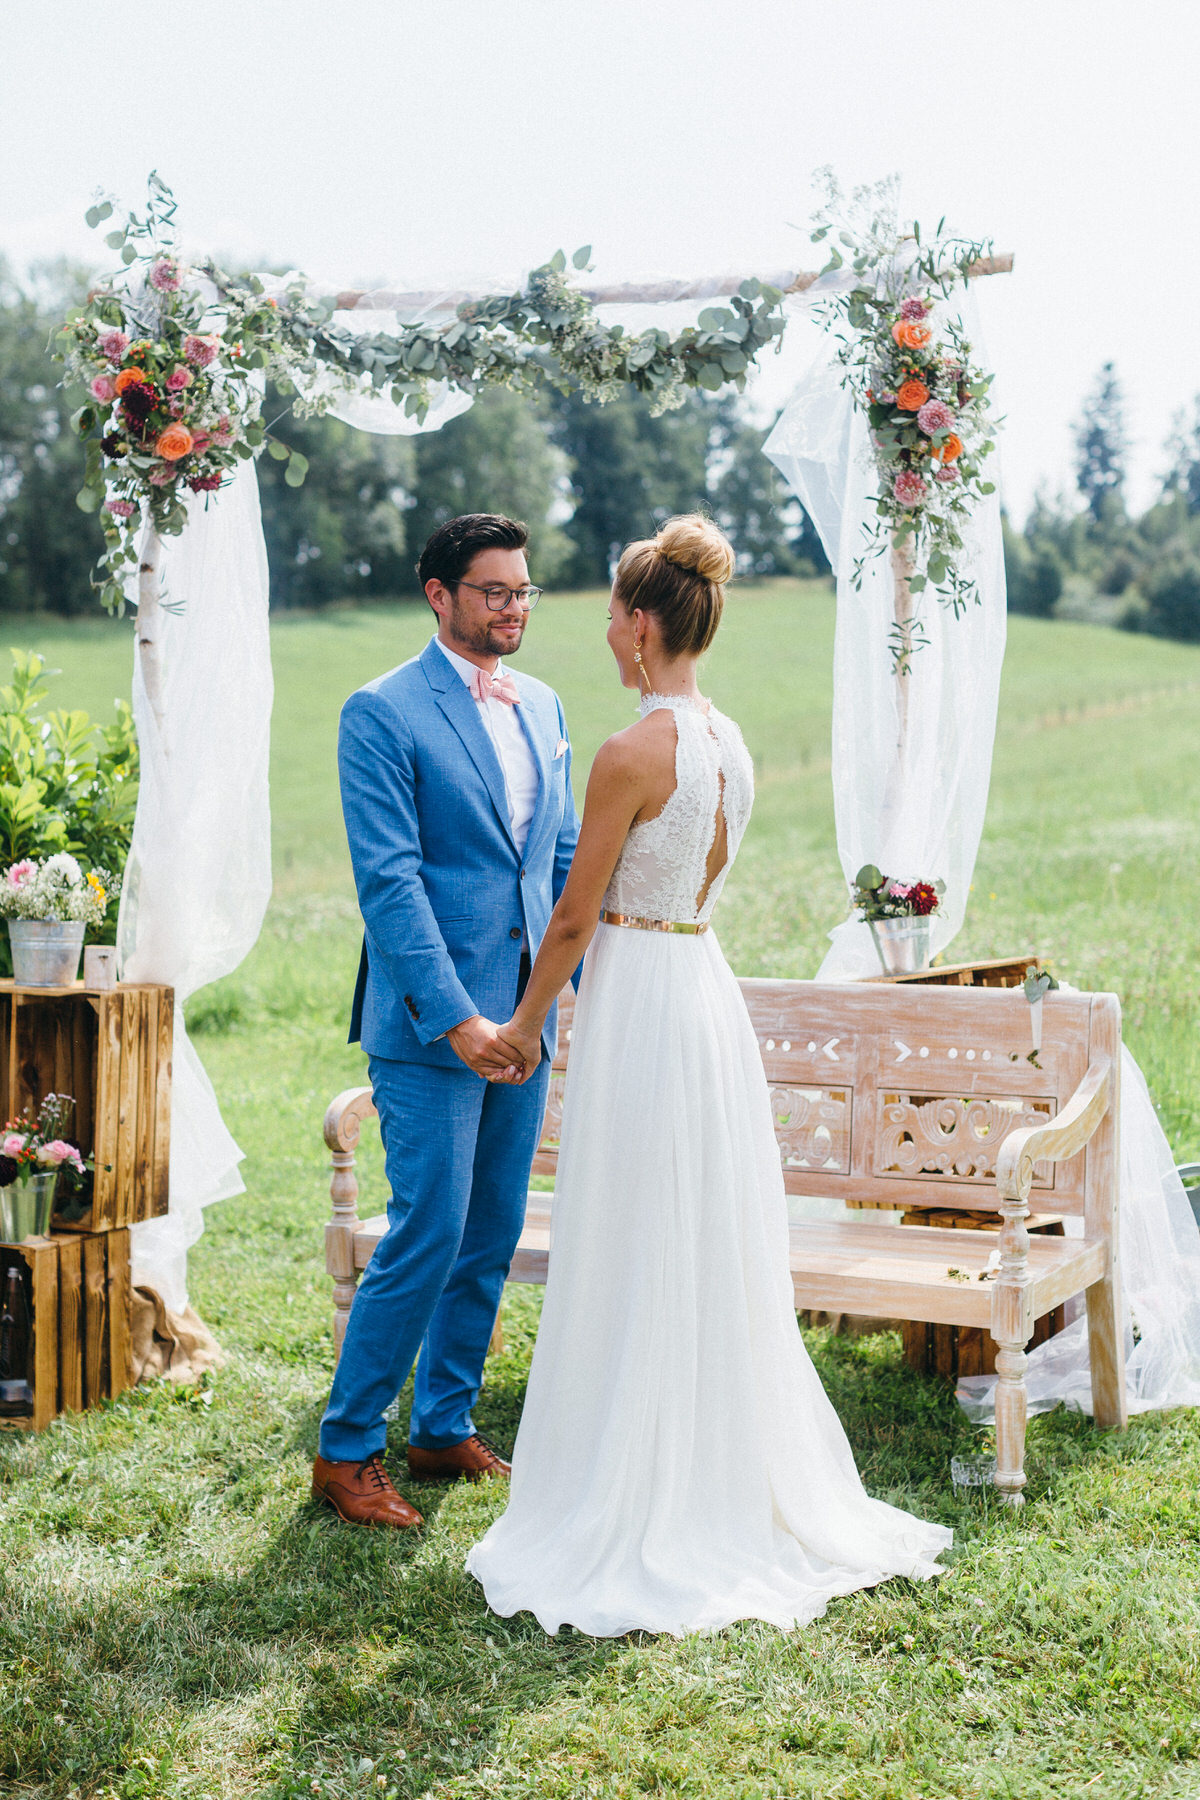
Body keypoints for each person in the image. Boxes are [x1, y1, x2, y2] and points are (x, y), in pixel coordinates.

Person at [467, 513, 952, 1635]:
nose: (598, 632)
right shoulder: (729, 742)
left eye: (605, 616)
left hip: (641, 993)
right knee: (694, 1232)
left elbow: (579, 913)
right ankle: (705, 1463)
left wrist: (527, 1022)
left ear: (641, 625)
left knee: (636, 1225)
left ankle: (641, 1486)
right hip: (702, 987)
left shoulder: (633, 752)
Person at [312, 513, 580, 1529]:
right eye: (494, 591)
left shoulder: (545, 704)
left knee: (494, 1227)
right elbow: (390, 886)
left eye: (524, 591)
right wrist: (460, 1019)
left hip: (528, 1014)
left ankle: (442, 1427)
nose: (514, 607)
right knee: (428, 1225)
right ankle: (345, 1452)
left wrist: (543, 999)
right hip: (433, 1023)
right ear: (440, 594)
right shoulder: (379, 712)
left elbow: (553, 861)